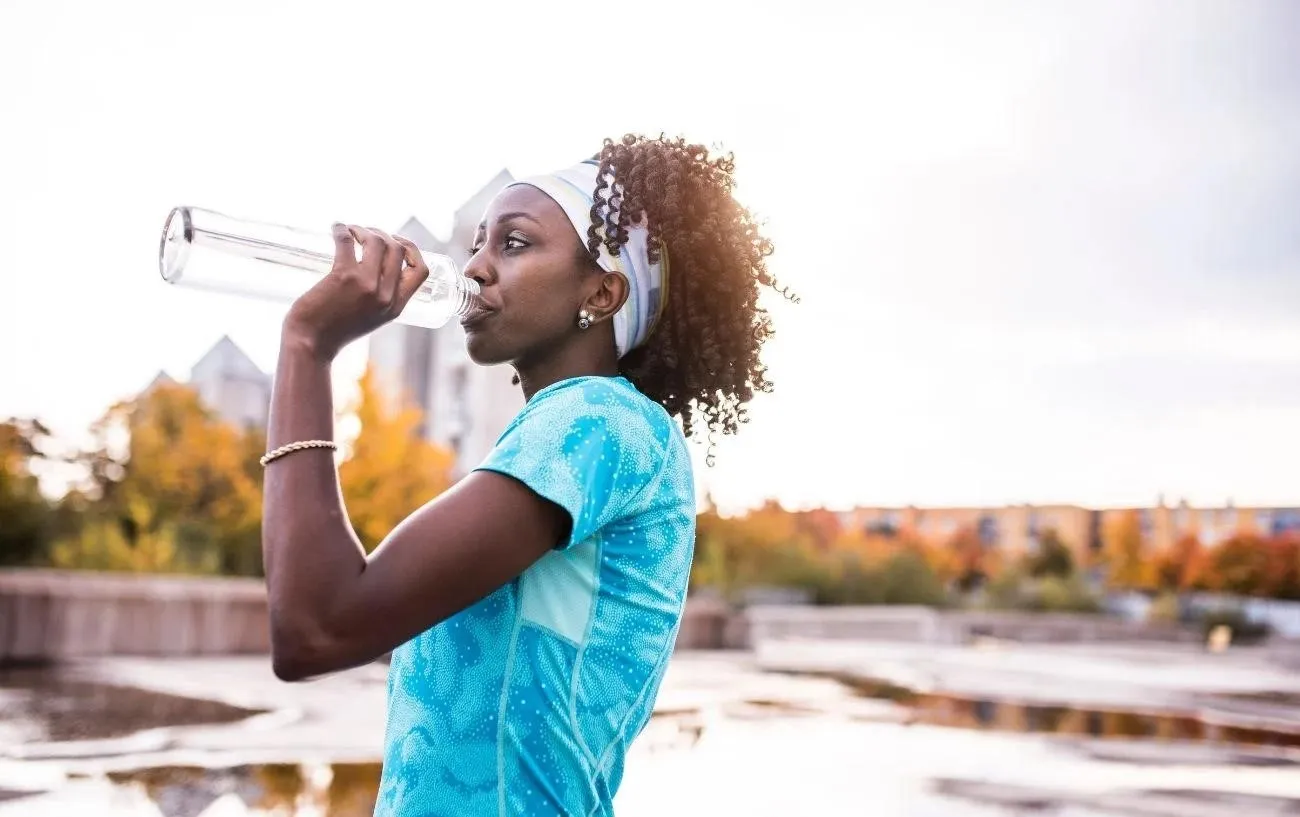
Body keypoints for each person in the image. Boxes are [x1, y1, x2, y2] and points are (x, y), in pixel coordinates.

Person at [259, 133, 791, 816]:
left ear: (602, 292)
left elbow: (317, 624)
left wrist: (307, 347)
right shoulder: (590, 432)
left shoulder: (596, 423)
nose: (475, 269)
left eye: (513, 244)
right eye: (477, 243)